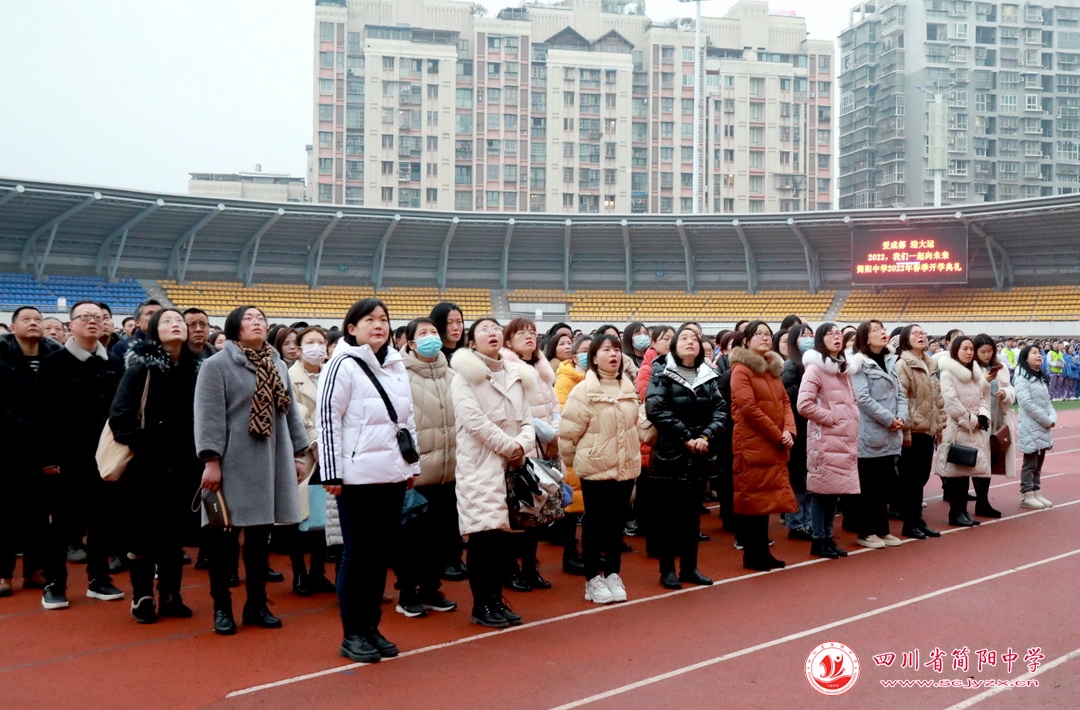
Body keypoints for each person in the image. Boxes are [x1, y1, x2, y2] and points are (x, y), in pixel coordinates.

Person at [194, 305, 309, 635]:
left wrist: (299, 454)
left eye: (261, 319)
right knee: (223, 539)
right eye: (249, 319)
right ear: (234, 328)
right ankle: (222, 607)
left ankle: (256, 604)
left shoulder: (276, 363)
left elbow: (289, 415)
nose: (257, 323)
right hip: (232, 462)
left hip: (271, 460)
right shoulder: (216, 366)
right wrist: (211, 460)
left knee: (260, 539)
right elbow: (209, 416)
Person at [318, 299, 420, 661]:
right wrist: (331, 473)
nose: (378, 325)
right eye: (369, 320)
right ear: (351, 328)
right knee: (357, 554)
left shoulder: (394, 365)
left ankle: (372, 626)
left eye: (383, 320)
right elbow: (328, 420)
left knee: (378, 557)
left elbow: (405, 420)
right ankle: (352, 632)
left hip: (391, 474)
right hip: (357, 477)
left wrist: (412, 466)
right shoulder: (341, 365)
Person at [108, 308, 202, 623]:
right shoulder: (140, 369)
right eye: (167, 321)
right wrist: (152, 444)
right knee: (144, 536)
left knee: (174, 537)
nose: (176, 325)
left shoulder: (199, 370)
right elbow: (119, 418)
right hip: (146, 467)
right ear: (152, 330)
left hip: (186, 466)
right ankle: (142, 596)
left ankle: (172, 595)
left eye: (180, 321)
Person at [35, 301, 126, 610]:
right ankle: (54, 583)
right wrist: (48, 457)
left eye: (98, 317)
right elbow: (43, 415)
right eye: (85, 317)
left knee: (103, 520)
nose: (93, 321)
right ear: (70, 324)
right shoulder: (54, 363)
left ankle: (98, 579)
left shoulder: (113, 363)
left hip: (103, 457)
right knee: (62, 523)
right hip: (65, 457)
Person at [450, 318, 535, 629]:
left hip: (511, 467)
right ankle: (481, 603)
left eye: (496, 328)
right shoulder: (464, 377)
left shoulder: (517, 375)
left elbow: (527, 419)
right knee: (483, 537)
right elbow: (474, 422)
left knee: (502, 541)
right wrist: (510, 447)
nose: (492, 333)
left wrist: (520, 446)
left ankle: (496, 599)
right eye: (483, 329)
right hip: (480, 465)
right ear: (472, 342)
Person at [560, 333, 641, 604]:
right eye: (606, 350)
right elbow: (568, 433)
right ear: (594, 357)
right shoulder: (583, 390)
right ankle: (592, 577)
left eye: (617, 349)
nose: (613, 354)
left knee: (617, 522)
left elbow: (635, 425)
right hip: (595, 467)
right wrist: (575, 461)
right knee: (594, 523)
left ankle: (613, 572)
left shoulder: (628, 387)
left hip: (625, 466)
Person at [646, 324, 726, 588]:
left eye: (695, 338)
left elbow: (721, 411)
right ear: (674, 345)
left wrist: (704, 437)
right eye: (684, 338)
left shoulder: (708, 375)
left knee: (692, 518)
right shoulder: (662, 372)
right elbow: (655, 409)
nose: (690, 342)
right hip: (670, 455)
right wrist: (686, 437)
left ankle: (689, 568)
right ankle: (667, 570)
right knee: (668, 518)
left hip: (698, 456)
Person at [398, 317, 461, 614]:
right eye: (423, 334)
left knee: (442, 535)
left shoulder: (452, 374)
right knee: (412, 538)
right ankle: (408, 592)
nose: (430, 337)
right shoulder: (399, 374)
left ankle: (432, 588)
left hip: (449, 470)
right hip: (418, 471)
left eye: (433, 332)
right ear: (410, 343)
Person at [0, 307, 63, 597]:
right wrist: (27, 426)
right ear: (13, 328)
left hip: (43, 446)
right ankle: (3, 574)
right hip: (8, 444)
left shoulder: (54, 356)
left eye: (38, 319)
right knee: (6, 512)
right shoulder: (2, 356)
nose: (34, 323)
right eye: (26, 319)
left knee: (40, 513)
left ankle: (34, 571)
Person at [728, 321, 797, 571]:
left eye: (768, 334)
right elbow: (748, 408)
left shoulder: (771, 369)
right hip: (753, 442)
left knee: (766, 499)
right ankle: (752, 553)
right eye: (758, 334)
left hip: (774, 442)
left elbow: (785, 402)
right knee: (753, 500)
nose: (765, 338)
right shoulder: (741, 370)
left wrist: (789, 430)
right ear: (746, 341)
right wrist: (777, 434)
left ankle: (761, 552)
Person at [500, 318, 560, 592]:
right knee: (517, 515)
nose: (529, 336)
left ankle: (529, 568)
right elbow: (516, 411)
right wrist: (545, 430)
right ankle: (511, 568)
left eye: (533, 332)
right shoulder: (507, 369)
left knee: (536, 515)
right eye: (521, 332)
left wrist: (556, 429)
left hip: (545, 451)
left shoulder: (542, 370)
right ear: (508, 341)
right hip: (522, 449)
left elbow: (554, 405)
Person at [797, 323, 859, 559]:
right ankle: (818, 539)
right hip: (825, 439)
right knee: (822, 491)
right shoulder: (815, 369)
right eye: (830, 334)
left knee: (834, 491)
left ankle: (827, 537)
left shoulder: (843, 369)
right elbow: (804, 405)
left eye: (838, 333)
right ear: (820, 340)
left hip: (843, 439)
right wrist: (832, 418)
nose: (836, 337)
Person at [849, 320, 908, 548]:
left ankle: (882, 530)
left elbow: (900, 393)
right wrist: (888, 419)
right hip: (870, 433)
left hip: (891, 432)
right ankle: (866, 532)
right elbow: (862, 398)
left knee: (884, 485)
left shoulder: (890, 360)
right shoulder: (858, 364)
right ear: (865, 338)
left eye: (882, 328)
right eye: (875, 330)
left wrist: (901, 418)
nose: (882, 332)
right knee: (869, 486)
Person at [286, 326, 336, 597]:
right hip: (304, 454)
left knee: (324, 516)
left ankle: (318, 572)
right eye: (310, 342)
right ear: (299, 347)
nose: (316, 347)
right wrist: (314, 441)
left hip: (332, 453)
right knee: (301, 517)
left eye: (321, 342)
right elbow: (295, 412)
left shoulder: (333, 373)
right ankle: (299, 574)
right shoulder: (290, 376)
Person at [893, 324, 944, 540]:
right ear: (906, 338)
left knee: (921, 477)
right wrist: (905, 430)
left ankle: (917, 519)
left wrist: (939, 426)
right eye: (916, 333)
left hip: (928, 431)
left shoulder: (929, 363)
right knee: (911, 479)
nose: (921, 336)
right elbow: (901, 397)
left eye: (923, 333)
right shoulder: (903, 364)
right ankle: (910, 522)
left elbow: (938, 399)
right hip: (913, 431)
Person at [935, 336, 991, 527]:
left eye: (970, 349)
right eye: (964, 349)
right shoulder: (947, 374)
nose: (969, 352)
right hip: (957, 428)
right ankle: (955, 512)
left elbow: (981, 398)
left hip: (972, 428)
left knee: (967, 470)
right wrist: (972, 420)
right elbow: (950, 401)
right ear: (955, 351)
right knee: (956, 471)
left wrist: (983, 416)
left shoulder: (974, 373)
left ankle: (963, 511)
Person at [972, 333, 1015, 518]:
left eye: (990, 351)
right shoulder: (971, 368)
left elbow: (1010, 388)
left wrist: (1005, 393)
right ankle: (980, 500)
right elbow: (970, 393)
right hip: (979, 420)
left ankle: (984, 500)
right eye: (983, 351)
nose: (987, 355)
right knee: (979, 460)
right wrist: (985, 381)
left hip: (997, 417)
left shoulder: (1001, 367)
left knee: (990, 459)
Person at [781, 324, 815, 542]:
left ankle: (809, 521)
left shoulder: (816, 365)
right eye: (803, 335)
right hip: (798, 429)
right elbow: (783, 394)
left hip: (812, 429)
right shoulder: (791, 365)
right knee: (797, 480)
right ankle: (796, 522)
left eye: (810, 334)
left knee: (810, 479)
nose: (808, 338)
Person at [1014, 345, 1056, 509]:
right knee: (1030, 463)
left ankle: (1036, 492)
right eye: (1034, 353)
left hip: (1043, 426)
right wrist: (1046, 420)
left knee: (1039, 463)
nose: (1039, 355)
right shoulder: (1021, 378)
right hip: (1031, 426)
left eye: (1039, 353)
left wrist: (1052, 418)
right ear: (1026, 358)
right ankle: (1026, 495)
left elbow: (1048, 402)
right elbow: (1026, 403)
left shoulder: (1040, 377)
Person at [635, 325, 675, 400]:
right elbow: (647, 398)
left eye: (673, 339)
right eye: (666, 339)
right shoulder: (647, 369)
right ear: (654, 344)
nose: (670, 343)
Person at [555, 334, 592, 406]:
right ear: (575, 358)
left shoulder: (597, 377)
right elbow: (561, 408)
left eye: (592, 351)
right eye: (585, 351)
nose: (590, 355)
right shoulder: (564, 380)